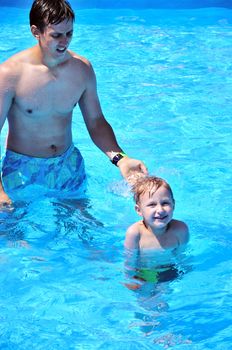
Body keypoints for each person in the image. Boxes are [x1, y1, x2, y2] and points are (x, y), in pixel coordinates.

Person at [0, 0, 147, 208]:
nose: (64, 41)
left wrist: (120, 158)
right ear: (36, 31)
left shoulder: (81, 69)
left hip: (68, 165)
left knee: (86, 233)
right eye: (56, 35)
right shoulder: (10, 74)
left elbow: (96, 122)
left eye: (69, 33)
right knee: (20, 237)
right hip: (22, 170)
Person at [124, 176, 189, 285]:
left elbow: (182, 256)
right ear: (139, 210)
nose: (160, 210)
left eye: (165, 203)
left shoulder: (181, 230)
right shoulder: (135, 233)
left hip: (169, 268)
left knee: (164, 296)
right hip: (144, 272)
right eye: (152, 205)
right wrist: (131, 279)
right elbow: (129, 262)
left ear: (173, 205)